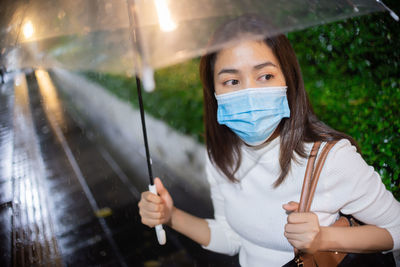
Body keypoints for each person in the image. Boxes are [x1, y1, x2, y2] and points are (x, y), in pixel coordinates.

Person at [138, 16, 400, 266]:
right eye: (231, 81)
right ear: (213, 92)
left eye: (265, 76)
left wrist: (323, 237)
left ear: (288, 79)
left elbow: (396, 229)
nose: (249, 92)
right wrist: (170, 216)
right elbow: (232, 238)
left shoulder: (331, 159)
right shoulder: (220, 156)